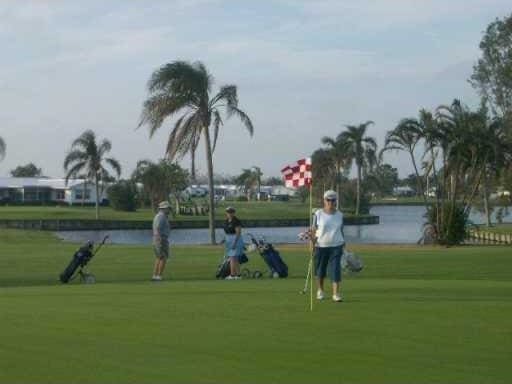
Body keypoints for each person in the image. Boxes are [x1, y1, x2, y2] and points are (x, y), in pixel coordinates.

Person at [311, 190, 345, 302]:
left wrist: (344, 244)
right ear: (324, 200)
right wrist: (312, 243)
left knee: (335, 270)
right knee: (320, 270)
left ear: (336, 201)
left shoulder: (340, 215)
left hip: (336, 246)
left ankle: (336, 294)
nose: (330, 202)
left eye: (333, 200)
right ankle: (320, 290)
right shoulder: (318, 214)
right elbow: (314, 230)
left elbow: (341, 230)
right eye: (328, 200)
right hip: (321, 246)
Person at [152, 201, 171, 281]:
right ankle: (158, 276)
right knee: (163, 257)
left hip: (160, 238)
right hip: (161, 238)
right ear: (163, 209)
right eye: (168, 208)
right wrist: (159, 238)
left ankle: (155, 275)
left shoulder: (162, 216)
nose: (169, 210)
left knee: (159, 257)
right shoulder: (161, 216)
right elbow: (157, 228)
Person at [223, 206, 244, 280]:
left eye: (231, 212)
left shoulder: (236, 221)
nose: (230, 214)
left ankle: (232, 275)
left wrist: (235, 243)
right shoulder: (226, 221)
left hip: (235, 240)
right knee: (235, 259)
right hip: (228, 240)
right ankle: (238, 275)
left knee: (232, 257)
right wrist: (224, 240)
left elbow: (238, 233)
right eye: (228, 212)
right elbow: (226, 232)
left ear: (234, 213)